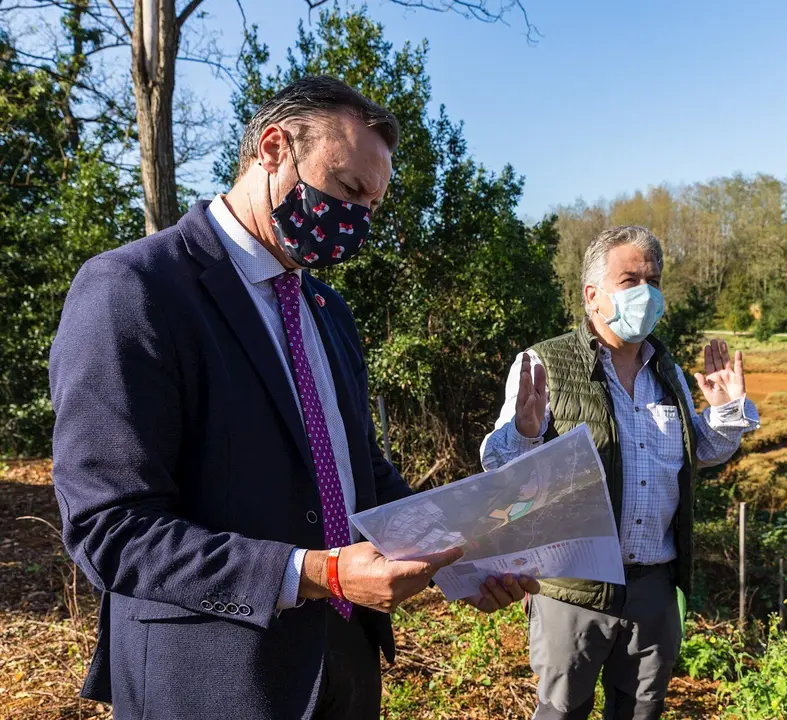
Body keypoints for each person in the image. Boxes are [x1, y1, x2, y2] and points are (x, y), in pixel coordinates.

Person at [49, 75, 536, 720]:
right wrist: (318, 574)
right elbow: (110, 528)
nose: (358, 221)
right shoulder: (133, 287)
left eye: (372, 206)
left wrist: (460, 560)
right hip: (211, 680)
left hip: (345, 658)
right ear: (274, 149)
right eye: (347, 190)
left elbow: (360, 471)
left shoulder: (327, 308)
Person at [481, 225, 760, 720]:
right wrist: (524, 431)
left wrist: (724, 411)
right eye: (629, 279)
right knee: (561, 710)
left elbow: (697, 455)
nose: (646, 293)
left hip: (654, 584)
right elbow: (502, 468)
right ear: (593, 295)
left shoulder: (667, 372)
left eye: (653, 279)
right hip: (574, 585)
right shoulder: (543, 364)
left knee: (640, 711)